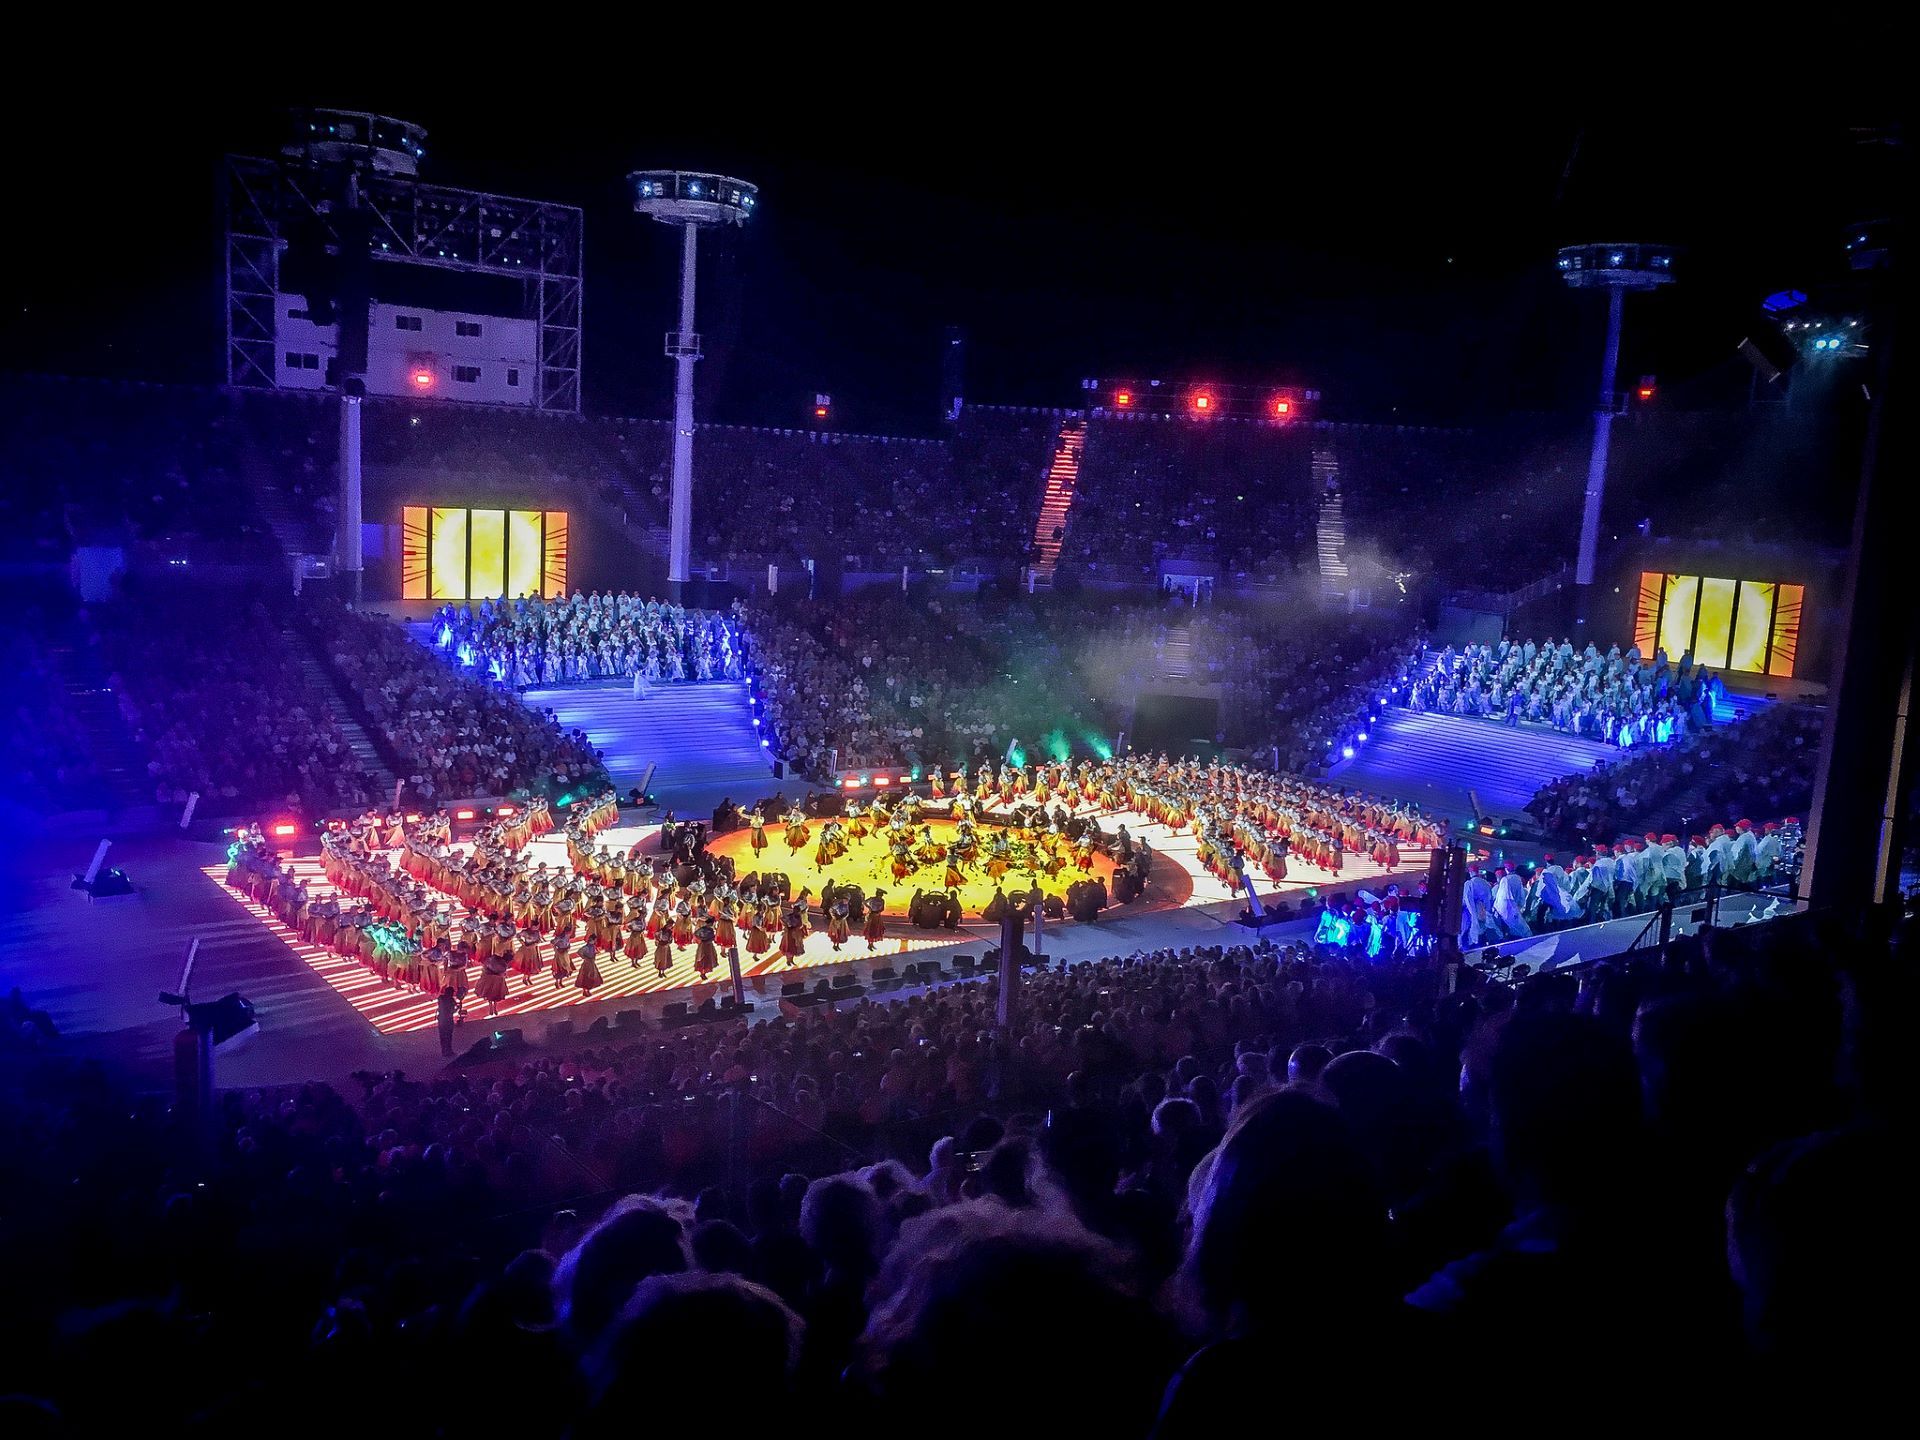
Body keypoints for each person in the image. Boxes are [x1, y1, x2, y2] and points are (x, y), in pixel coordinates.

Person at [436, 984, 457, 1057]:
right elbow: (452, 1010)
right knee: (448, 1036)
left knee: (442, 1036)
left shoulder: (441, 998)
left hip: (441, 1019)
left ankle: (444, 1051)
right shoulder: (451, 1000)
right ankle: (449, 1050)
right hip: (448, 1020)